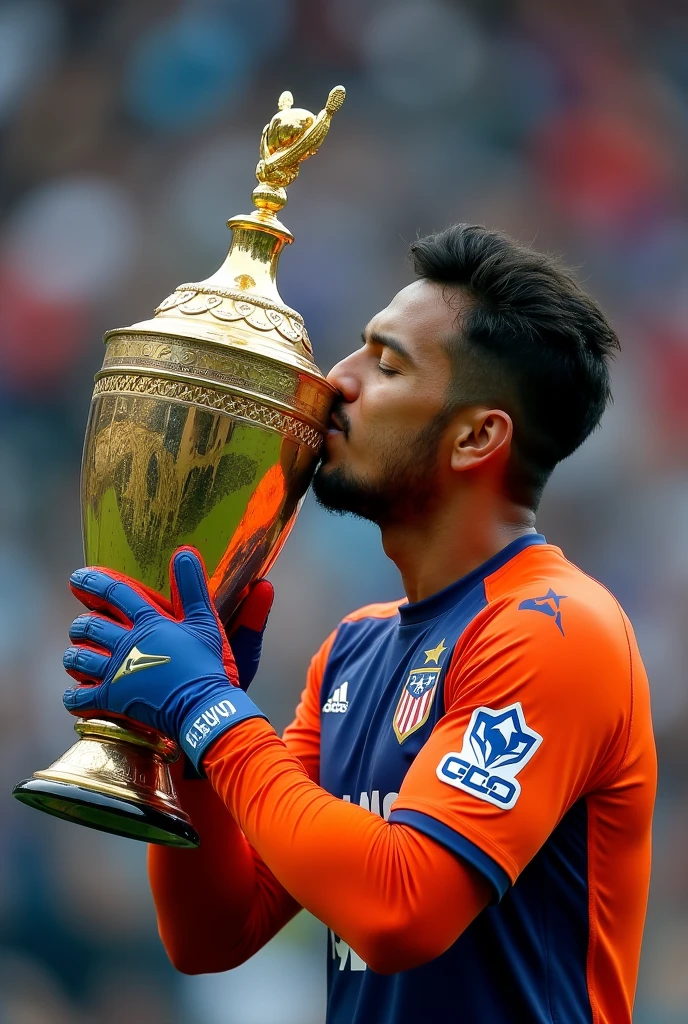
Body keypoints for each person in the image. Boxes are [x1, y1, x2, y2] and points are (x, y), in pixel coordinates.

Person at [62, 224, 656, 1024]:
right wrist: (188, 755)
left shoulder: (556, 630)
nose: (334, 379)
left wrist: (210, 714)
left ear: (478, 436)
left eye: (386, 364)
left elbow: (399, 910)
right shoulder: (355, 647)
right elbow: (213, 934)